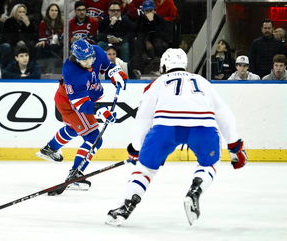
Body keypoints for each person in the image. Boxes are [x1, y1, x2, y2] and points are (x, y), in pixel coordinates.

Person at [105, 48, 247, 226]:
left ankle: (126, 206)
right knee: (208, 164)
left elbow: (143, 117)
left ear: (164, 65)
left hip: (166, 127)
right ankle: (195, 190)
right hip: (202, 126)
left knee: (145, 169)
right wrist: (234, 145)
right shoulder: (202, 81)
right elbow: (223, 113)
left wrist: (136, 148)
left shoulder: (157, 83)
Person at [36, 39, 127, 195]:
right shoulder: (71, 71)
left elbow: (107, 67)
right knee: (93, 138)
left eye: (91, 57)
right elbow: (82, 106)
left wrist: (115, 73)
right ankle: (76, 174)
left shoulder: (97, 51)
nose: (90, 62)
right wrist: (100, 111)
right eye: (85, 60)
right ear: (76, 58)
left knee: (74, 128)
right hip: (72, 104)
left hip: (76, 98)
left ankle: (50, 148)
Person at [0, 3, 38, 68]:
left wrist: (28, 25)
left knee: (31, 45)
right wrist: (18, 41)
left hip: (24, 44)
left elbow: (34, 37)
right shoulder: (9, 21)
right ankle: (2, 68)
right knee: (7, 47)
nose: (22, 14)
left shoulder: (29, 22)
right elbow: (7, 37)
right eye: (19, 12)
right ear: (15, 13)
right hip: (10, 43)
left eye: (23, 12)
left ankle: (31, 68)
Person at [35, 3, 63, 74]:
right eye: (52, 10)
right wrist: (44, 41)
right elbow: (42, 37)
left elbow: (62, 37)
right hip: (47, 46)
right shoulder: (43, 23)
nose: (54, 12)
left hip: (58, 46)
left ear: (58, 12)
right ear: (48, 12)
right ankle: (39, 70)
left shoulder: (62, 23)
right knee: (39, 47)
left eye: (56, 11)